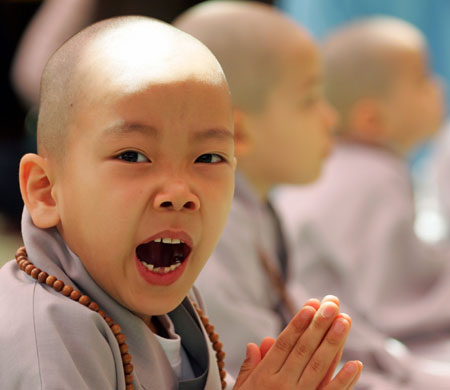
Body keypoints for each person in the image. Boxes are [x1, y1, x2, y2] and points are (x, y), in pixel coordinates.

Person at [0, 15, 362, 390]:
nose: (179, 193)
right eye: (133, 156)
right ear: (45, 190)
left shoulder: (173, 308)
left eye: (208, 158)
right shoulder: (47, 337)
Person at [173, 0, 337, 377]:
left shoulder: (256, 209)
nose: (331, 118)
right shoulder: (208, 230)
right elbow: (252, 367)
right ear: (238, 131)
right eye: (310, 99)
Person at [274, 16, 450, 363]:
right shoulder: (371, 178)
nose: (438, 86)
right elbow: (397, 301)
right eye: (422, 80)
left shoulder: (345, 167)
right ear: (372, 119)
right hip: (340, 345)